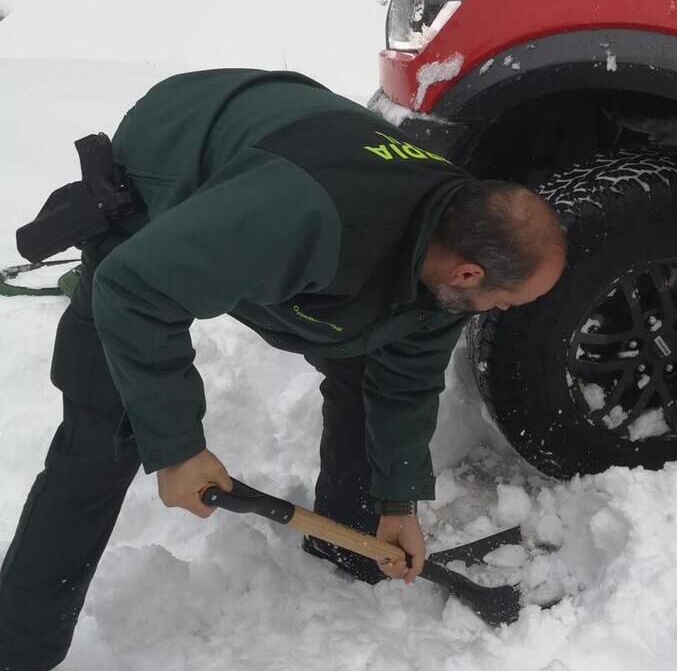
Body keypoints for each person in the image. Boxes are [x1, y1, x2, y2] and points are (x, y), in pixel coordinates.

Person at [0, 69, 566, 670]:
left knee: (364, 363)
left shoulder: (452, 236)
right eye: (508, 301)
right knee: (105, 432)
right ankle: (18, 647)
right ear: (471, 274)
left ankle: (351, 539)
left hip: (282, 147)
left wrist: (397, 502)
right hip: (174, 153)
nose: (502, 312)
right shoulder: (303, 218)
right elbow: (132, 289)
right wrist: (177, 448)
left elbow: (407, 379)